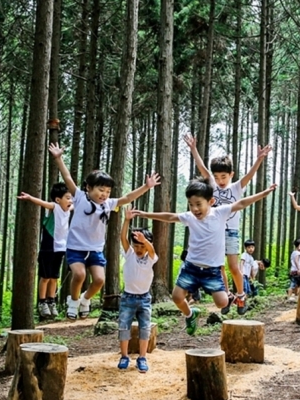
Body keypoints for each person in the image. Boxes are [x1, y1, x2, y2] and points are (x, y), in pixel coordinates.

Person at [132, 177, 277, 335]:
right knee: (177, 297)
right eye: (191, 204)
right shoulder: (189, 217)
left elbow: (241, 203)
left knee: (222, 303)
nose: (194, 209)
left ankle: (234, 297)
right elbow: (170, 217)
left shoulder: (220, 213)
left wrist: (263, 193)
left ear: (211, 201)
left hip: (212, 271)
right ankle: (190, 314)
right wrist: (146, 214)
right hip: (191, 268)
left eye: (198, 204)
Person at [49, 142, 161, 320]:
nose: (104, 194)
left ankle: (86, 300)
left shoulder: (108, 204)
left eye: (108, 191)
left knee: (99, 280)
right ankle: (73, 301)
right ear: (89, 188)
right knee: (79, 274)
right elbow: (68, 178)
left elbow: (127, 197)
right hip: (76, 247)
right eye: (101, 190)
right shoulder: (79, 197)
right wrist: (58, 158)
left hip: (95, 249)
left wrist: (146, 187)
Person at [184, 134, 272, 315]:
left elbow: (250, 175)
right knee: (219, 267)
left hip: (231, 231)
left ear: (231, 175)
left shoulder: (236, 188)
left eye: (223, 176)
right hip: (215, 232)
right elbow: (202, 167)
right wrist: (193, 149)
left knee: (233, 266)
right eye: (216, 176)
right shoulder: (212, 186)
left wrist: (259, 159)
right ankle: (227, 296)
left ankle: (241, 295)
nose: (219, 180)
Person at [17, 183, 74, 319]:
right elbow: (43, 203)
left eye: (71, 198)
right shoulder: (54, 207)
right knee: (46, 277)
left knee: (54, 277)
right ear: (58, 200)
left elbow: (78, 202)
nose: (70, 201)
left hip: (61, 248)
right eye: (67, 198)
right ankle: (42, 302)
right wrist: (30, 198)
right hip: (48, 248)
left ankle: (51, 301)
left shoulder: (69, 209)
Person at [117, 206, 158, 373]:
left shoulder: (151, 258)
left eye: (142, 246)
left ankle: (142, 357)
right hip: (127, 298)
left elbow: (152, 250)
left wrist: (145, 240)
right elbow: (122, 238)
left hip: (144, 299)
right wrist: (127, 220)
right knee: (124, 327)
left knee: (144, 329)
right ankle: (124, 356)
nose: (139, 249)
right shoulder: (129, 254)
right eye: (136, 245)